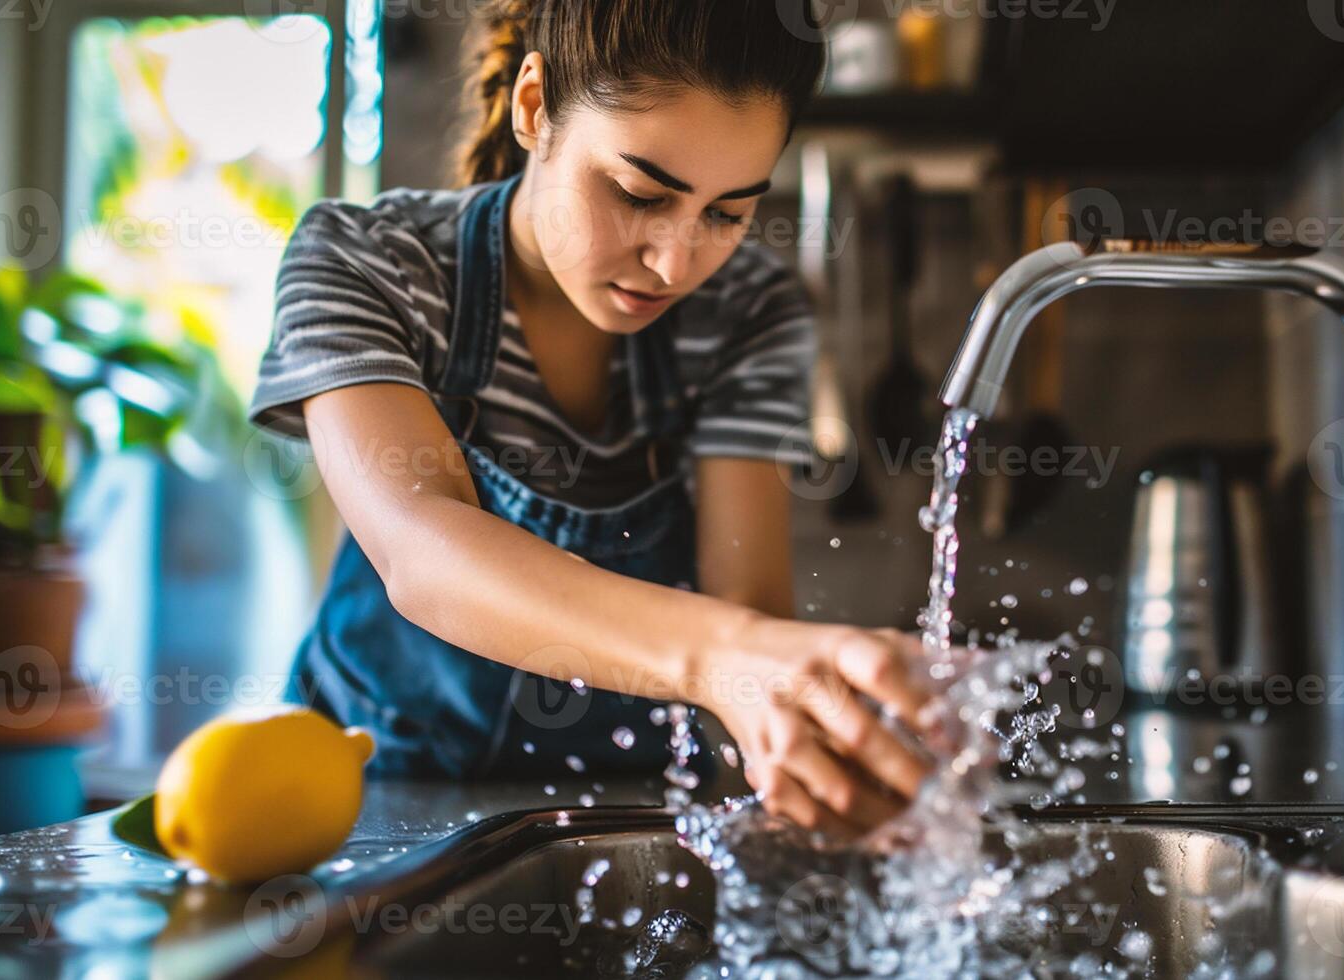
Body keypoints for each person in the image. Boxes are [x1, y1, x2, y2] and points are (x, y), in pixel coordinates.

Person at [248, 0, 938, 835]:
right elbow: (419, 549)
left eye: (727, 212)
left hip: (622, 816)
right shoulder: (368, 263)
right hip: (365, 803)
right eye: (639, 193)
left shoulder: (749, 310)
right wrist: (723, 657)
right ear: (534, 107)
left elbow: (745, 597)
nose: (676, 261)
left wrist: (805, 746)